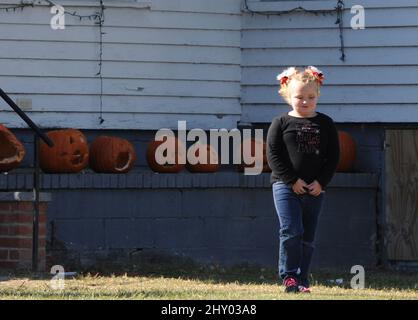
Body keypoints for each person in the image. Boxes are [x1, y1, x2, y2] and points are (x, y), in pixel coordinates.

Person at [266, 66, 340, 293]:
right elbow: (273, 154)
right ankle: (289, 276)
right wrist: (291, 180)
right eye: (299, 97)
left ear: (317, 96)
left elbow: (333, 156)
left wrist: (321, 182)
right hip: (286, 186)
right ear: (288, 96)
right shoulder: (281, 122)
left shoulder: (325, 123)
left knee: (307, 235)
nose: (305, 102)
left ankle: (302, 278)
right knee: (291, 230)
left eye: (310, 97)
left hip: (315, 188)